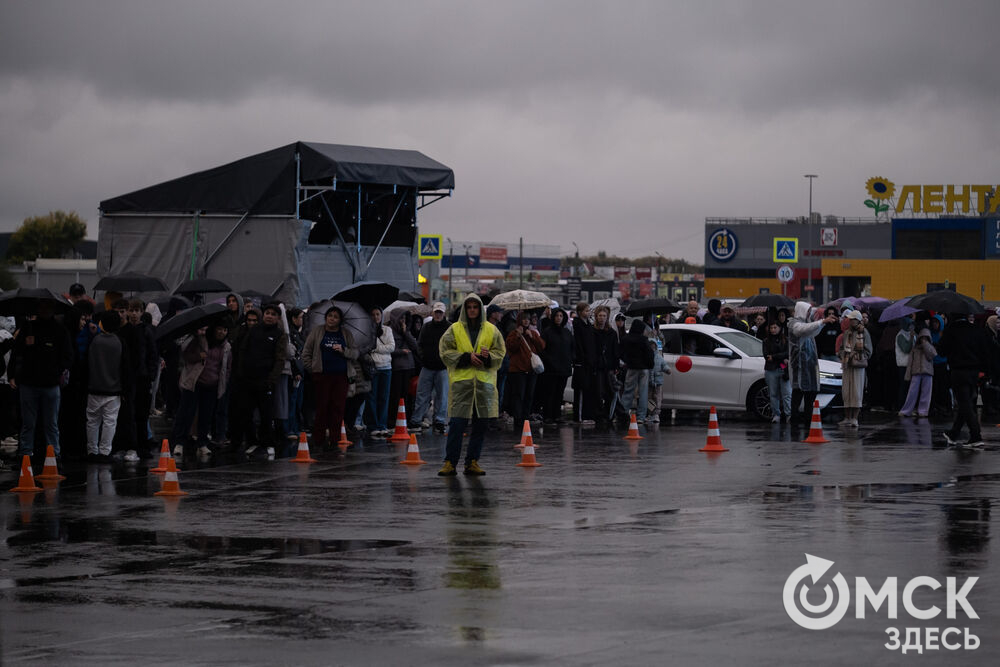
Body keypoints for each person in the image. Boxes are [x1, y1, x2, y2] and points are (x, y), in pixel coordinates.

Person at [437, 294, 506, 476]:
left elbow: (500, 352)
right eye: (470, 307)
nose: (473, 310)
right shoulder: (454, 329)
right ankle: (450, 462)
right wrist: (466, 357)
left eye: (476, 307)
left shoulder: (492, 330)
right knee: (457, 425)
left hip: (484, 386)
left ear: (480, 309)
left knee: (480, 426)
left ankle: (472, 462)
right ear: (465, 309)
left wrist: (487, 357)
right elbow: (445, 351)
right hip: (462, 385)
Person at [8, 301, 73, 460]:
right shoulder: (28, 327)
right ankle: (26, 455)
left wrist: (57, 370)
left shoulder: (59, 330)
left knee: (50, 424)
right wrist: (12, 374)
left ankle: (53, 455)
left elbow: (68, 356)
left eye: (47, 307)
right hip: (29, 383)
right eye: (41, 307)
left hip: (49, 383)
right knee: (29, 423)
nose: (44, 310)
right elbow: (16, 352)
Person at [230, 303, 287, 458]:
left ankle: (267, 442)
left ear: (277, 318)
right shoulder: (254, 330)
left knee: (266, 414)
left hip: (266, 380)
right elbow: (243, 350)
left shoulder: (280, 334)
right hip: (248, 379)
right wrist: (241, 371)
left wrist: (271, 379)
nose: (269, 316)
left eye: (273, 314)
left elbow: (280, 359)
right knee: (245, 412)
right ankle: (252, 441)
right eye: (267, 313)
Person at [302, 306, 359, 450]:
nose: (332, 319)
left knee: (338, 407)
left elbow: (355, 353)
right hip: (322, 376)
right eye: (330, 315)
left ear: (340, 320)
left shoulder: (345, 334)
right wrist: (313, 369)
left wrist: (344, 350)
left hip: (341, 377)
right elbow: (306, 352)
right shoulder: (317, 331)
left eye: (335, 317)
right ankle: (318, 439)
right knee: (322, 407)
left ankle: (335, 438)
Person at [172, 323, 231, 457]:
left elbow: (227, 367)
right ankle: (179, 442)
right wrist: (200, 356)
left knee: (206, 415)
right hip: (195, 383)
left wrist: (223, 381)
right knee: (186, 413)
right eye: (219, 328)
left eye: (225, 329)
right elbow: (186, 355)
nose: (222, 332)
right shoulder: (199, 340)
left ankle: (202, 443)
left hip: (212, 385)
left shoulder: (226, 346)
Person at [938, 313, 992, 447]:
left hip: (958, 370)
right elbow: (985, 351)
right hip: (974, 371)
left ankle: (976, 435)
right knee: (966, 402)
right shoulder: (976, 329)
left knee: (964, 403)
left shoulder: (951, 330)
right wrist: (985, 371)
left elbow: (942, 351)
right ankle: (954, 433)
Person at [85, 311, 127, 462]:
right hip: (114, 389)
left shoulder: (95, 341)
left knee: (92, 420)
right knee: (110, 421)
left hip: (94, 387)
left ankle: (91, 450)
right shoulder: (119, 342)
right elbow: (124, 367)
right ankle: (105, 451)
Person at [788, 302, 837, 425]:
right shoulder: (793, 324)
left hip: (809, 366)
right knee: (798, 393)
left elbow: (813, 331)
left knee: (811, 393)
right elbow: (802, 330)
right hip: (799, 366)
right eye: (807, 311)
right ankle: (794, 419)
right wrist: (822, 322)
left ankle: (807, 420)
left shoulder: (807, 323)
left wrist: (822, 323)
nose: (809, 313)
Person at [411, 302, 451, 434]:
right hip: (428, 366)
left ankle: (439, 420)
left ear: (443, 313)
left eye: (440, 312)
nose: (438, 314)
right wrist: (423, 358)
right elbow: (420, 344)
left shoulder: (449, 328)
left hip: (442, 367)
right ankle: (417, 420)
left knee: (442, 396)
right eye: (436, 312)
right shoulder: (426, 327)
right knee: (422, 395)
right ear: (433, 313)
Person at [505, 310, 545, 430]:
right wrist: (518, 336)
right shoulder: (513, 333)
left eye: (528, 319)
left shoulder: (532, 332)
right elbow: (511, 347)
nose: (526, 321)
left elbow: (542, 346)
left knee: (529, 395)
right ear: (519, 321)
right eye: (524, 319)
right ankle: (518, 420)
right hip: (518, 370)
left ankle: (526, 418)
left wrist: (532, 336)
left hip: (531, 370)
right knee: (518, 395)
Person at [362, 306, 394, 438]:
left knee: (384, 397)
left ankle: (382, 425)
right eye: (373, 314)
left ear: (381, 316)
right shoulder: (366, 331)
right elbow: (365, 347)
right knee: (371, 397)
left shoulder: (387, 330)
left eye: (378, 314)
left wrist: (375, 347)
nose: (375, 317)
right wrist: (378, 348)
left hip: (386, 367)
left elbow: (391, 347)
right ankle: (373, 425)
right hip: (373, 367)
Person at [838, 310, 872, 427]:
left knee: (857, 392)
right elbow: (842, 348)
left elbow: (869, 351)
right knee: (846, 392)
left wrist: (856, 355)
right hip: (847, 365)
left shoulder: (864, 332)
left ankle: (854, 418)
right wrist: (844, 355)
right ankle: (847, 417)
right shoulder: (846, 333)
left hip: (858, 366)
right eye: (850, 319)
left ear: (858, 320)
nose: (851, 321)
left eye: (853, 319)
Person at [539, 307, 574, 425]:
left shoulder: (567, 332)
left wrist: (570, 360)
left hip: (563, 368)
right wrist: (549, 361)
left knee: (559, 393)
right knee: (550, 393)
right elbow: (542, 350)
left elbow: (571, 348)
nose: (559, 318)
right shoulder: (547, 332)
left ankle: (557, 415)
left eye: (561, 316)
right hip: (550, 369)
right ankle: (548, 416)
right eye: (556, 316)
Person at [387, 310, 420, 428]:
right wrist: (401, 351)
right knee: (395, 395)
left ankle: (405, 418)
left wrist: (406, 332)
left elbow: (415, 346)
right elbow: (390, 349)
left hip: (408, 367)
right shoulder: (390, 331)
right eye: (401, 319)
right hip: (397, 367)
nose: (403, 322)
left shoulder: (406, 331)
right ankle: (392, 421)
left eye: (405, 319)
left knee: (407, 395)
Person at [619, 319, 654, 423]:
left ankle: (624, 413)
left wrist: (627, 361)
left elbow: (621, 353)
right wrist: (649, 365)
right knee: (643, 392)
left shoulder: (625, 339)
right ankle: (641, 417)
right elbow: (649, 354)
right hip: (643, 368)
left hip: (631, 368)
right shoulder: (643, 339)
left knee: (628, 391)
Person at [899, 327, 935, 418]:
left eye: (926, 338)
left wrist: (925, 344)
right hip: (916, 372)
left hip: (928, 372)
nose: (924, 339)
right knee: (912, 392)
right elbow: (910, 363)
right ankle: (906, 410)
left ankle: (923, 411)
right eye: (922, 337)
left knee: (926, 393)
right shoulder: (915, 349)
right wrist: (908, 375)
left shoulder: (930, 347)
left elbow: (932, 355)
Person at [572, 302, 598, 425]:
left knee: (588, 389)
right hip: (582, 363)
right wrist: (582, 358)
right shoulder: (577, 325)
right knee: (581, 390)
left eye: (589, 310)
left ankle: (587, 414)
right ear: (580, 312)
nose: (588, 313)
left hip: (589, 362)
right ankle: (579, 417)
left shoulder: (589, 325)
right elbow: (578, 344)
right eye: (586, 310)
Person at [762, 321, 791, 423]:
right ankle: (776, 414)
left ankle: (788, 414)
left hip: (783, 369)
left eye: (775, 327)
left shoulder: (786, 340)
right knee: (773, 394)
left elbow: (788, 353)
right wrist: (781, 357)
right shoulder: (766, 341)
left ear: (780, 328)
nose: (773, 330)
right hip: (771, 369)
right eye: (771, 328)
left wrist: (774, 356)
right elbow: (766, 356)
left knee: (787, 393)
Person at [647, 339, 669, 422]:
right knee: (649, 398)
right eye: (650, 346)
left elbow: (664, 365)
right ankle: (650, 414)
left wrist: (667, 370)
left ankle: (656, 414)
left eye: (653, 346)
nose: (652, 348)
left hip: (658, 381)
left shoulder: (659, 357)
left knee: (657, 398)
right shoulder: (647, 356)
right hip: (649, 382)